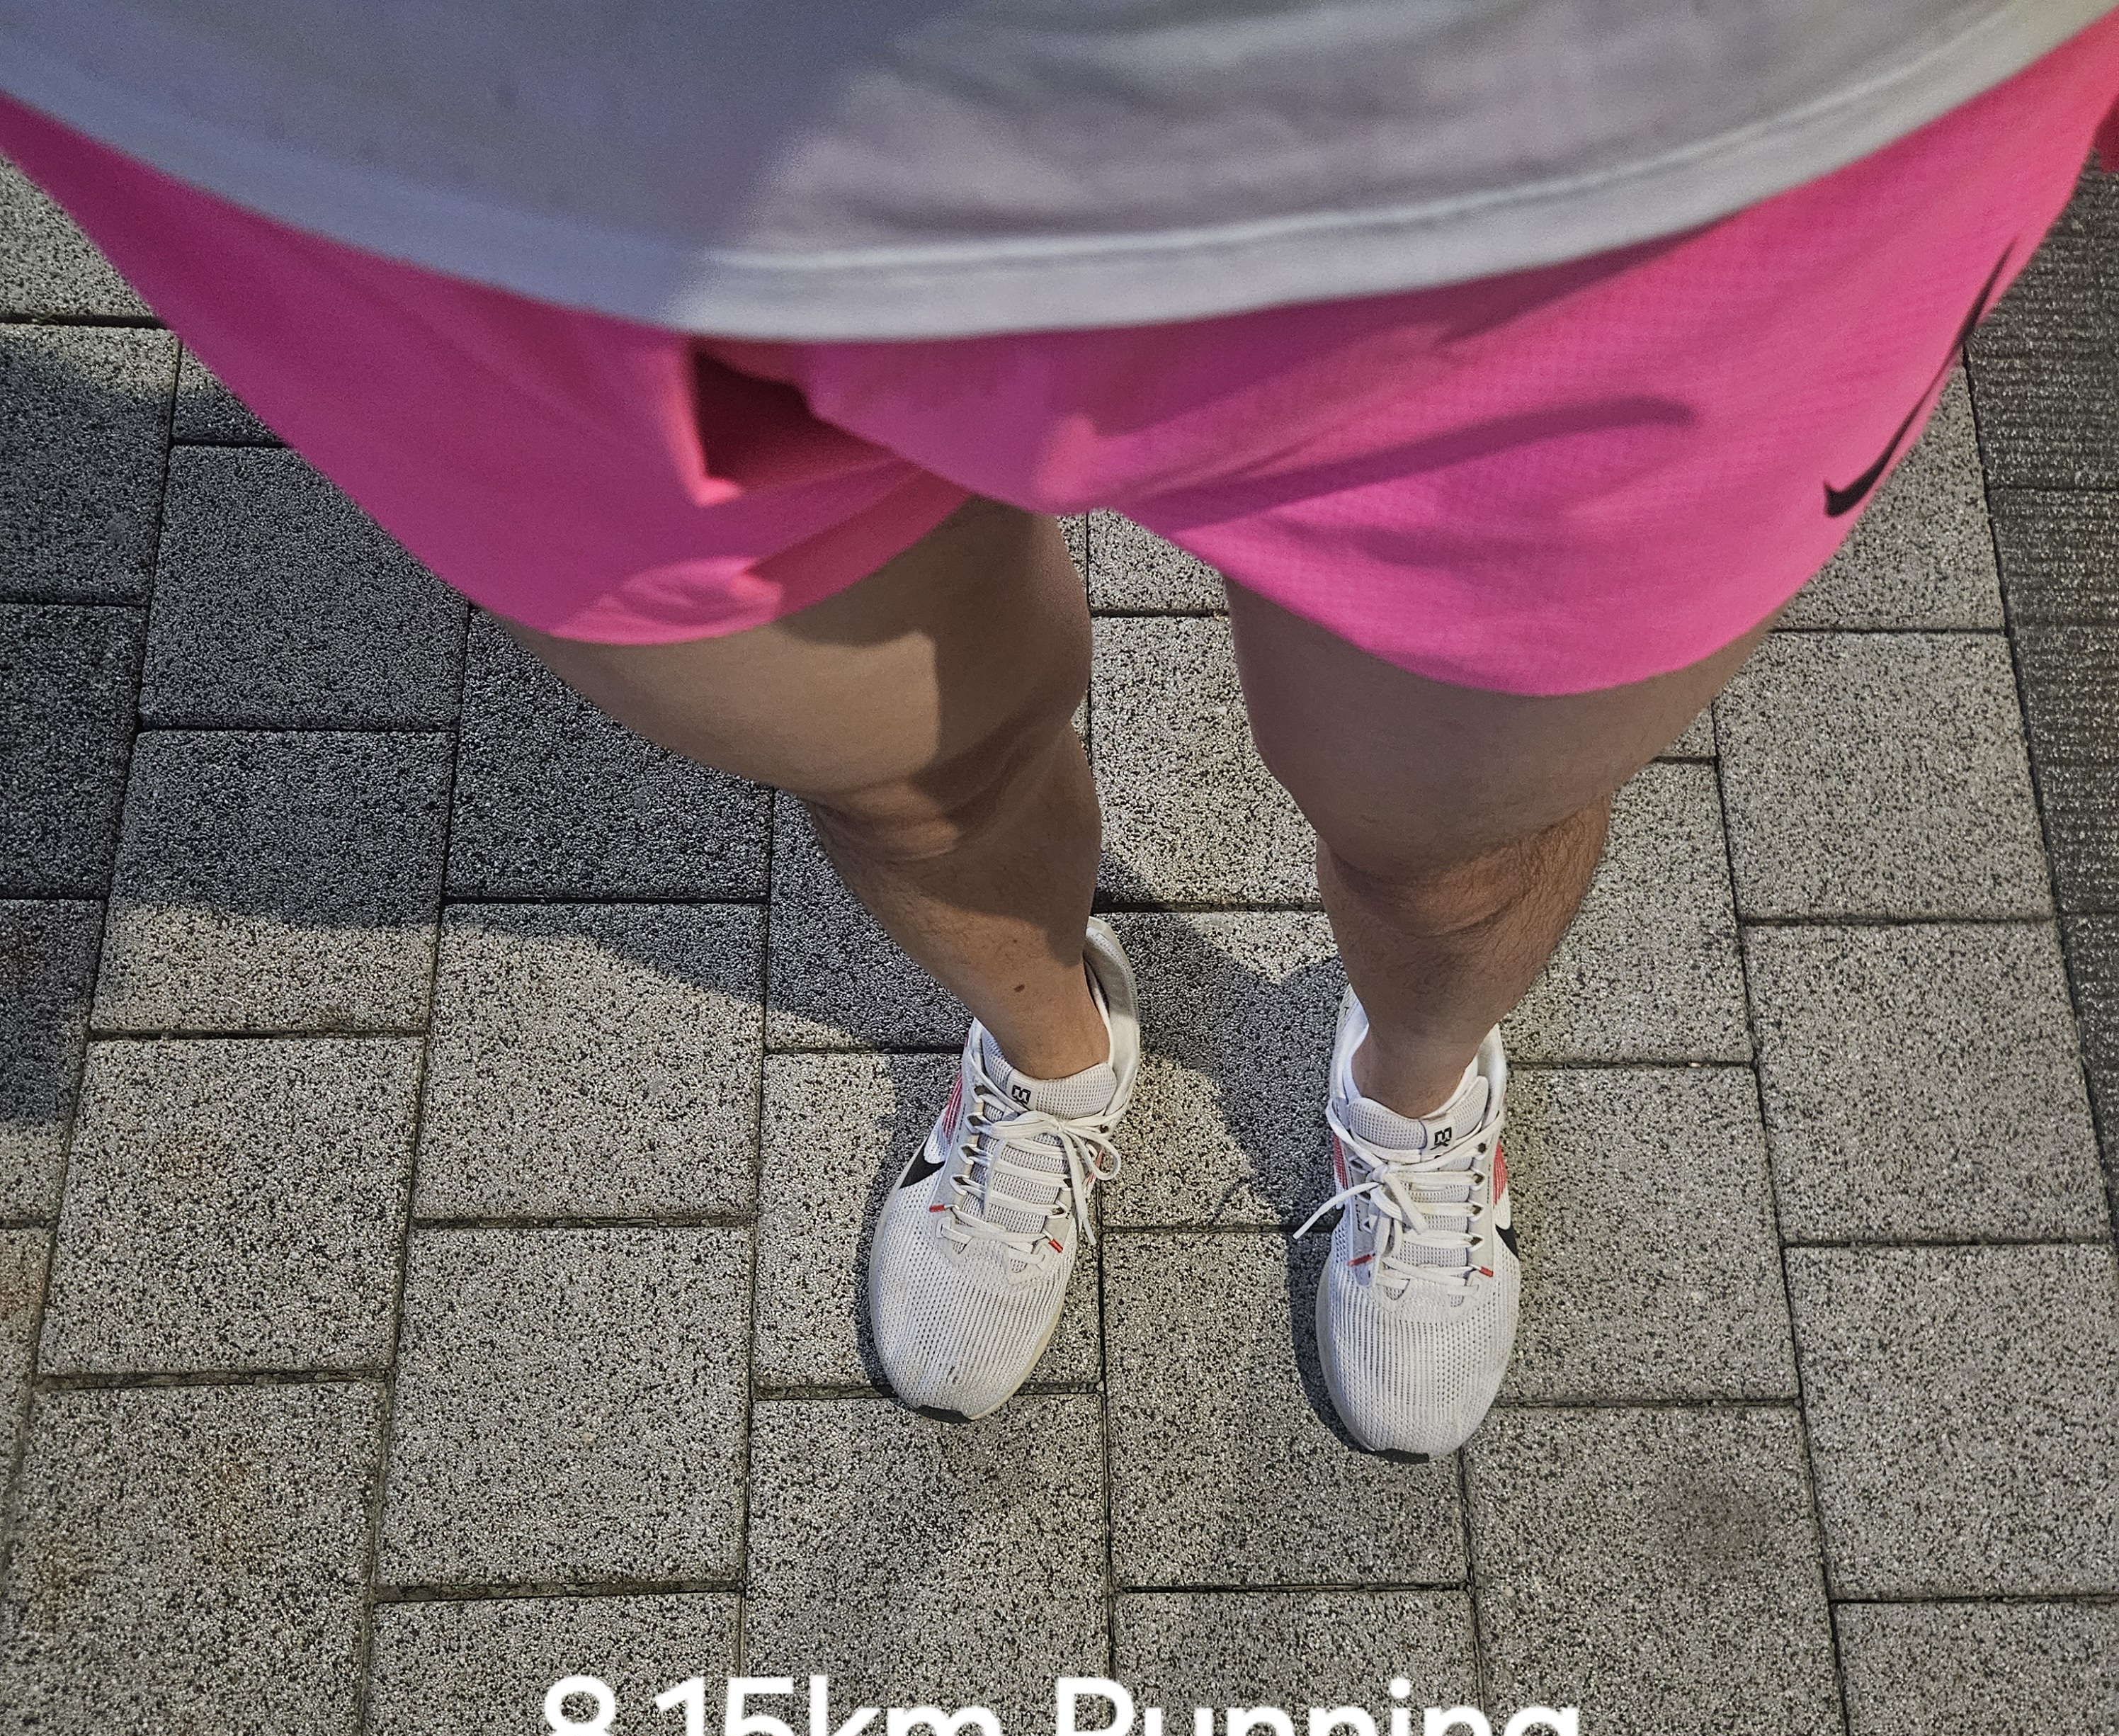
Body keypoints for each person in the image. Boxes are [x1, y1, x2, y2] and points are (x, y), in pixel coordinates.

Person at [4, 4, 2115, 1455]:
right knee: (903, 775)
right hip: (424, 134)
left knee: (1459, 832)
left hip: (1663, 132)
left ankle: (1416, 1103)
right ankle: (1050, 1054)